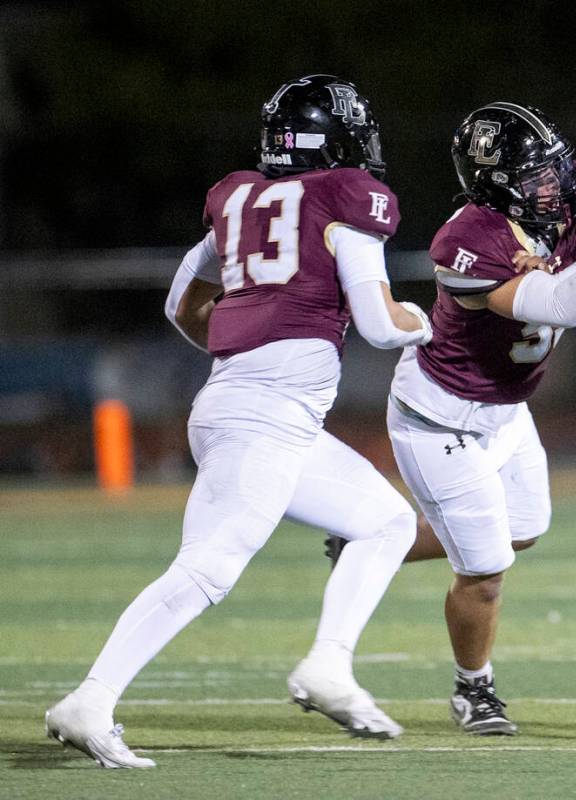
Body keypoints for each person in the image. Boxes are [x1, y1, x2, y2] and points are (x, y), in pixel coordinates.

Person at [44, 74, 433, 768]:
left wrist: (244, 350)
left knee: (385, 520)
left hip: (247, 404)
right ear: (334, 140)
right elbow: (378, 325)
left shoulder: (240, 197)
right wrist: (419, 322)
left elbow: (179, 305)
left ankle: (328, 666)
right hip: (265, 415)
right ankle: (90, 700)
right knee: (208, 569)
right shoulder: (349, 198)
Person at [385, 102, 576, 735]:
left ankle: (373, 538)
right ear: (494, 187)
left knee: (523, 528)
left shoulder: (572, 194)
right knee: (486, 570)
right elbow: (562, 305)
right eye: (536, 175)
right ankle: (473, 689)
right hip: (441, 416)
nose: (557, 183)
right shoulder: (468, 241)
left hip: (507, 409)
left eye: (555, 166)